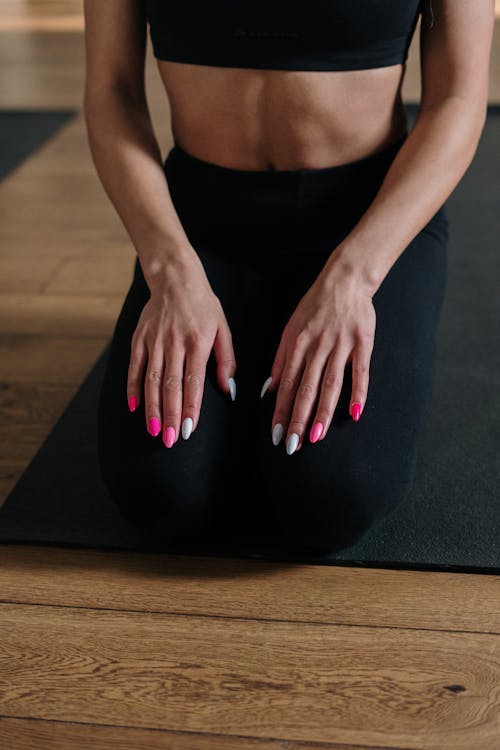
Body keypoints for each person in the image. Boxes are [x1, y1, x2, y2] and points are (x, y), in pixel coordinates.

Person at [83, 1, 494, 555]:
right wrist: (170, 268)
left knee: (331, 498)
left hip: (368, 223)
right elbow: (112, 92)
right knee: (161, 492)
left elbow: (458, 99)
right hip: (198, 232)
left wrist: (353, 279)